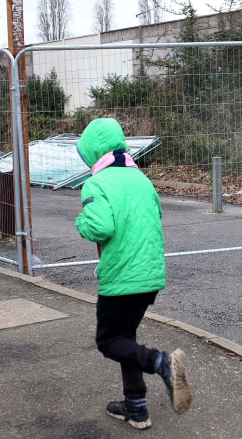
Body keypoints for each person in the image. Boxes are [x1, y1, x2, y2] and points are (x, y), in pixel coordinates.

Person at [75, 117, 191, 430]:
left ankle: (162, 363)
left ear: (91, 153)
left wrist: (81, 222)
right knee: (126, 337)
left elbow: (100, 227)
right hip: (150, 275)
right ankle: (136, 407)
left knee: (109, 341)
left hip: (122, 276)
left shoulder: (96, 184)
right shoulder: (142, 180)